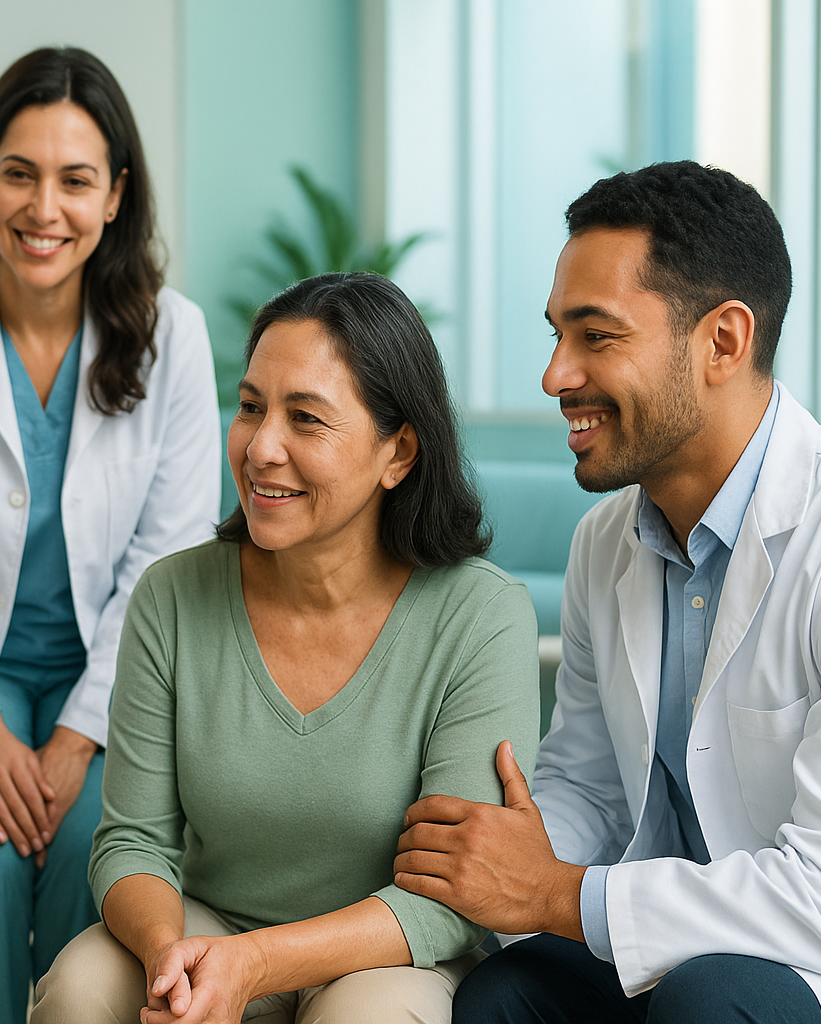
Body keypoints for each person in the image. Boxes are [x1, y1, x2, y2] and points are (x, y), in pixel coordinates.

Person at [394, 161, 821, 1024]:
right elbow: (589, 790)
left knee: (710, 999)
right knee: (502, 996)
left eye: (597, 336)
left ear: (723, 343)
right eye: (556, 335)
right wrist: (489, 854)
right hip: (661, 947)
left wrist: (555, 893)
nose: (556, 376)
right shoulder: (606, 541)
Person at [32, 271, 541, 1023]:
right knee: (80, 987)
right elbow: (133, 843)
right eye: (250, 407)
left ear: (398, 453)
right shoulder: (171, 598)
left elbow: (454, 894)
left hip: (383, 951)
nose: (261, 446)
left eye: (306, 419)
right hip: (206, 925)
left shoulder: (481, 615)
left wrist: (257, 963)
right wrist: (171, 957)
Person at [0, 46, 221, 1024]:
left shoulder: (175, 338)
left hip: (120, 687)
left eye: (76, 180)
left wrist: (78, 738)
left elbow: (164, 563)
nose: (46, 208)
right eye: (20, 174)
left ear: (117, 195)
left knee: (94, 847)